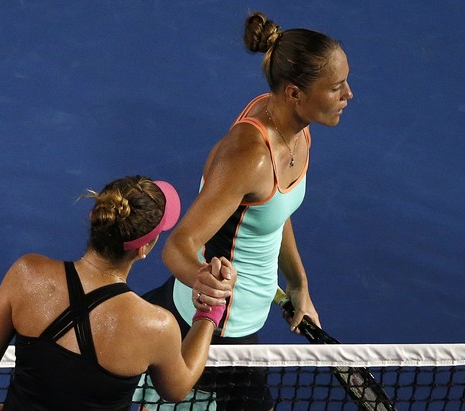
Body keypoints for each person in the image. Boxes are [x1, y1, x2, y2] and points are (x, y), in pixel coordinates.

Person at [140, 11, 354, 411]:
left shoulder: (296, 127)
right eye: (337, 87)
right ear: (295, 93)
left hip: (245, 316)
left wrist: (298, 284)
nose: (348, 95)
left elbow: (273, 213)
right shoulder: (250, 155)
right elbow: (179, 245)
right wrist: (206, 283)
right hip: (217, 325)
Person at [0, 175, 236, 411]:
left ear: (93, 216)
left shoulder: (26, 274)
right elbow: (178, 388)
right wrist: (209, 310)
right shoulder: (156, 326)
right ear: (143, 249)